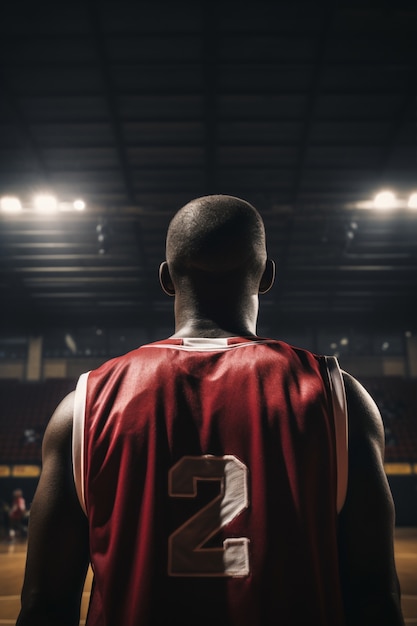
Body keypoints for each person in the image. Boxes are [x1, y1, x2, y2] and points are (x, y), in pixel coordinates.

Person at [16, 194, 404, 626]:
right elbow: (376, 597)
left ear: (166, 278)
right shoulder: (338, 398)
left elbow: (43, 605)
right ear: (267, 276)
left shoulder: (83, 406)